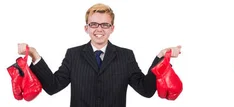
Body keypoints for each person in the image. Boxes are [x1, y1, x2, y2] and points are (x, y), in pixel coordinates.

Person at [17, 3, 181, 107]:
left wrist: (160, 57)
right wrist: (34, 54)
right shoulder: (73, 55)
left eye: (105, 24)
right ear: (86, 28)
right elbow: (53, 87)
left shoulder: (126, 56)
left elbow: (146, 90)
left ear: (112, 28)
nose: (99, 29)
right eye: (94, 24)